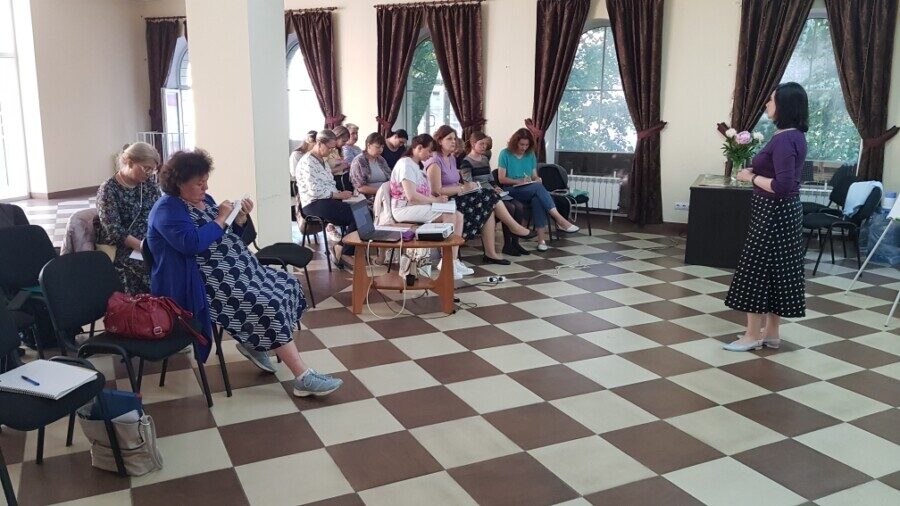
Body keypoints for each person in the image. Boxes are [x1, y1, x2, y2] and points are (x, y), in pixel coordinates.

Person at [146, 149, 342, 397]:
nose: (206, 187)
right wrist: (220, 218)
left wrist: (238, 220)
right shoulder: (166, 209)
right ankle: (302, 376)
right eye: (199, 183)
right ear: (178, 183)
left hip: (235, 270)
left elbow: (224, 239)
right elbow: (192, 244)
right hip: (200, 281)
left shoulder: (204, 200)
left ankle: (254, 341)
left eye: (206, 180)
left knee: (286, 284)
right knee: (267, 304)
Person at [724, 82, 808, 351]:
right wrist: (757, 172)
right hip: (784, 213)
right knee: (778, 272)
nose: (767, 104)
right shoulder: (794, 136)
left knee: (756, 271)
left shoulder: (784, 139)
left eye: (771, 100)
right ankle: (771, 333)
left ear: (784, 106)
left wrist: (750, 177)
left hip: (773, 213)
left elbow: (782, 185)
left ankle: (751, 336)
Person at [425, 126, 535, 266]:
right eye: (449, 139)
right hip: (445, 201)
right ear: (440, 141)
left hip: (458, 195)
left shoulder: (451, 158)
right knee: (488, 196)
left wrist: (465, 187)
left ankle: (491, 253)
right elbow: (436, 191)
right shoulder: (435, 160)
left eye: (454, 138)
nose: (453, 141)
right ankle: (514, 227)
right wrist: (463, 187)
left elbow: (457, 182)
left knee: (489, 205)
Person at [389, 134, 466, 279]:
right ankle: (447, 263)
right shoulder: (405, 165)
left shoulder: (418, 165)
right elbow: (412, 196)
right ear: (419, 148)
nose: (431, 155)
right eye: (429, 151)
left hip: (416, 205)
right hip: (404, 208)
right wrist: (434, 201)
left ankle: (453, 261)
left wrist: (438, 199)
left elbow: (424, 192)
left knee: (458, 215)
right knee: (449, 215)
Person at [497, 128, 579, 251]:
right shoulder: (505, 154)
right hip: (511, 190)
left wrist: (537, 178)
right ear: (515, 142)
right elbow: (502, 179)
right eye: (521, 144)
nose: (524, 147)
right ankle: (560, 219)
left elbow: (534, 175)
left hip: (529, 190)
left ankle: (541, 240)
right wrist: (519, 181)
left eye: (526, 145)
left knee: (537, 199)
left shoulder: (530, 155)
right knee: (538, 188)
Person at [96, 142, 161, 294]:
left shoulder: (149, 185)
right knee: (147, 267)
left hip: (151, 242)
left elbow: (160, 213)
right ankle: (149, 305)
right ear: (130, 163)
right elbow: (114, 231)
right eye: (146, 168)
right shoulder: (108, 189)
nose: (149, 173)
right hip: (126, 248)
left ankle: (172, 306)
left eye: (152, 170)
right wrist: (144, 248)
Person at [461, 132, 530, 257]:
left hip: (491, 191)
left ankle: (515, 243)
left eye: (485, 144)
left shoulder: (485, 159)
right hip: (480, 194)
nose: (484, 147)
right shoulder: (466, 162)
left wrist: (496, 187)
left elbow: (490, 179)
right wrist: (488, 189)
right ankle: (507, 245)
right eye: (481, 144)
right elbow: (469, 184)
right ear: (473, 144)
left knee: (519, 206)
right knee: (510, 207)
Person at [295, 129, 358, 266]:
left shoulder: (322, 161)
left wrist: (344, 195)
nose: (331, 151)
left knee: (364, 212)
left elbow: (330, 184)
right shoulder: (307, 162)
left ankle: (341, 248)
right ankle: (344, 252)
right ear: (319, 143)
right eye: (329, 148)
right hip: (313, 204)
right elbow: (314, 191)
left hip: (327, 200)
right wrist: (338, 195)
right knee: (357, 215)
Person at [349, 132, 392, 200]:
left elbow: (390, 177)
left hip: (385, 194)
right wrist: (382, 191)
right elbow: (360, 188)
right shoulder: (359, 161)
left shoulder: (381, 160)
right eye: (377, 147)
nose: (381, 150)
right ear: (368, 145)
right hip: (368, 197)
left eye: (382, 147)